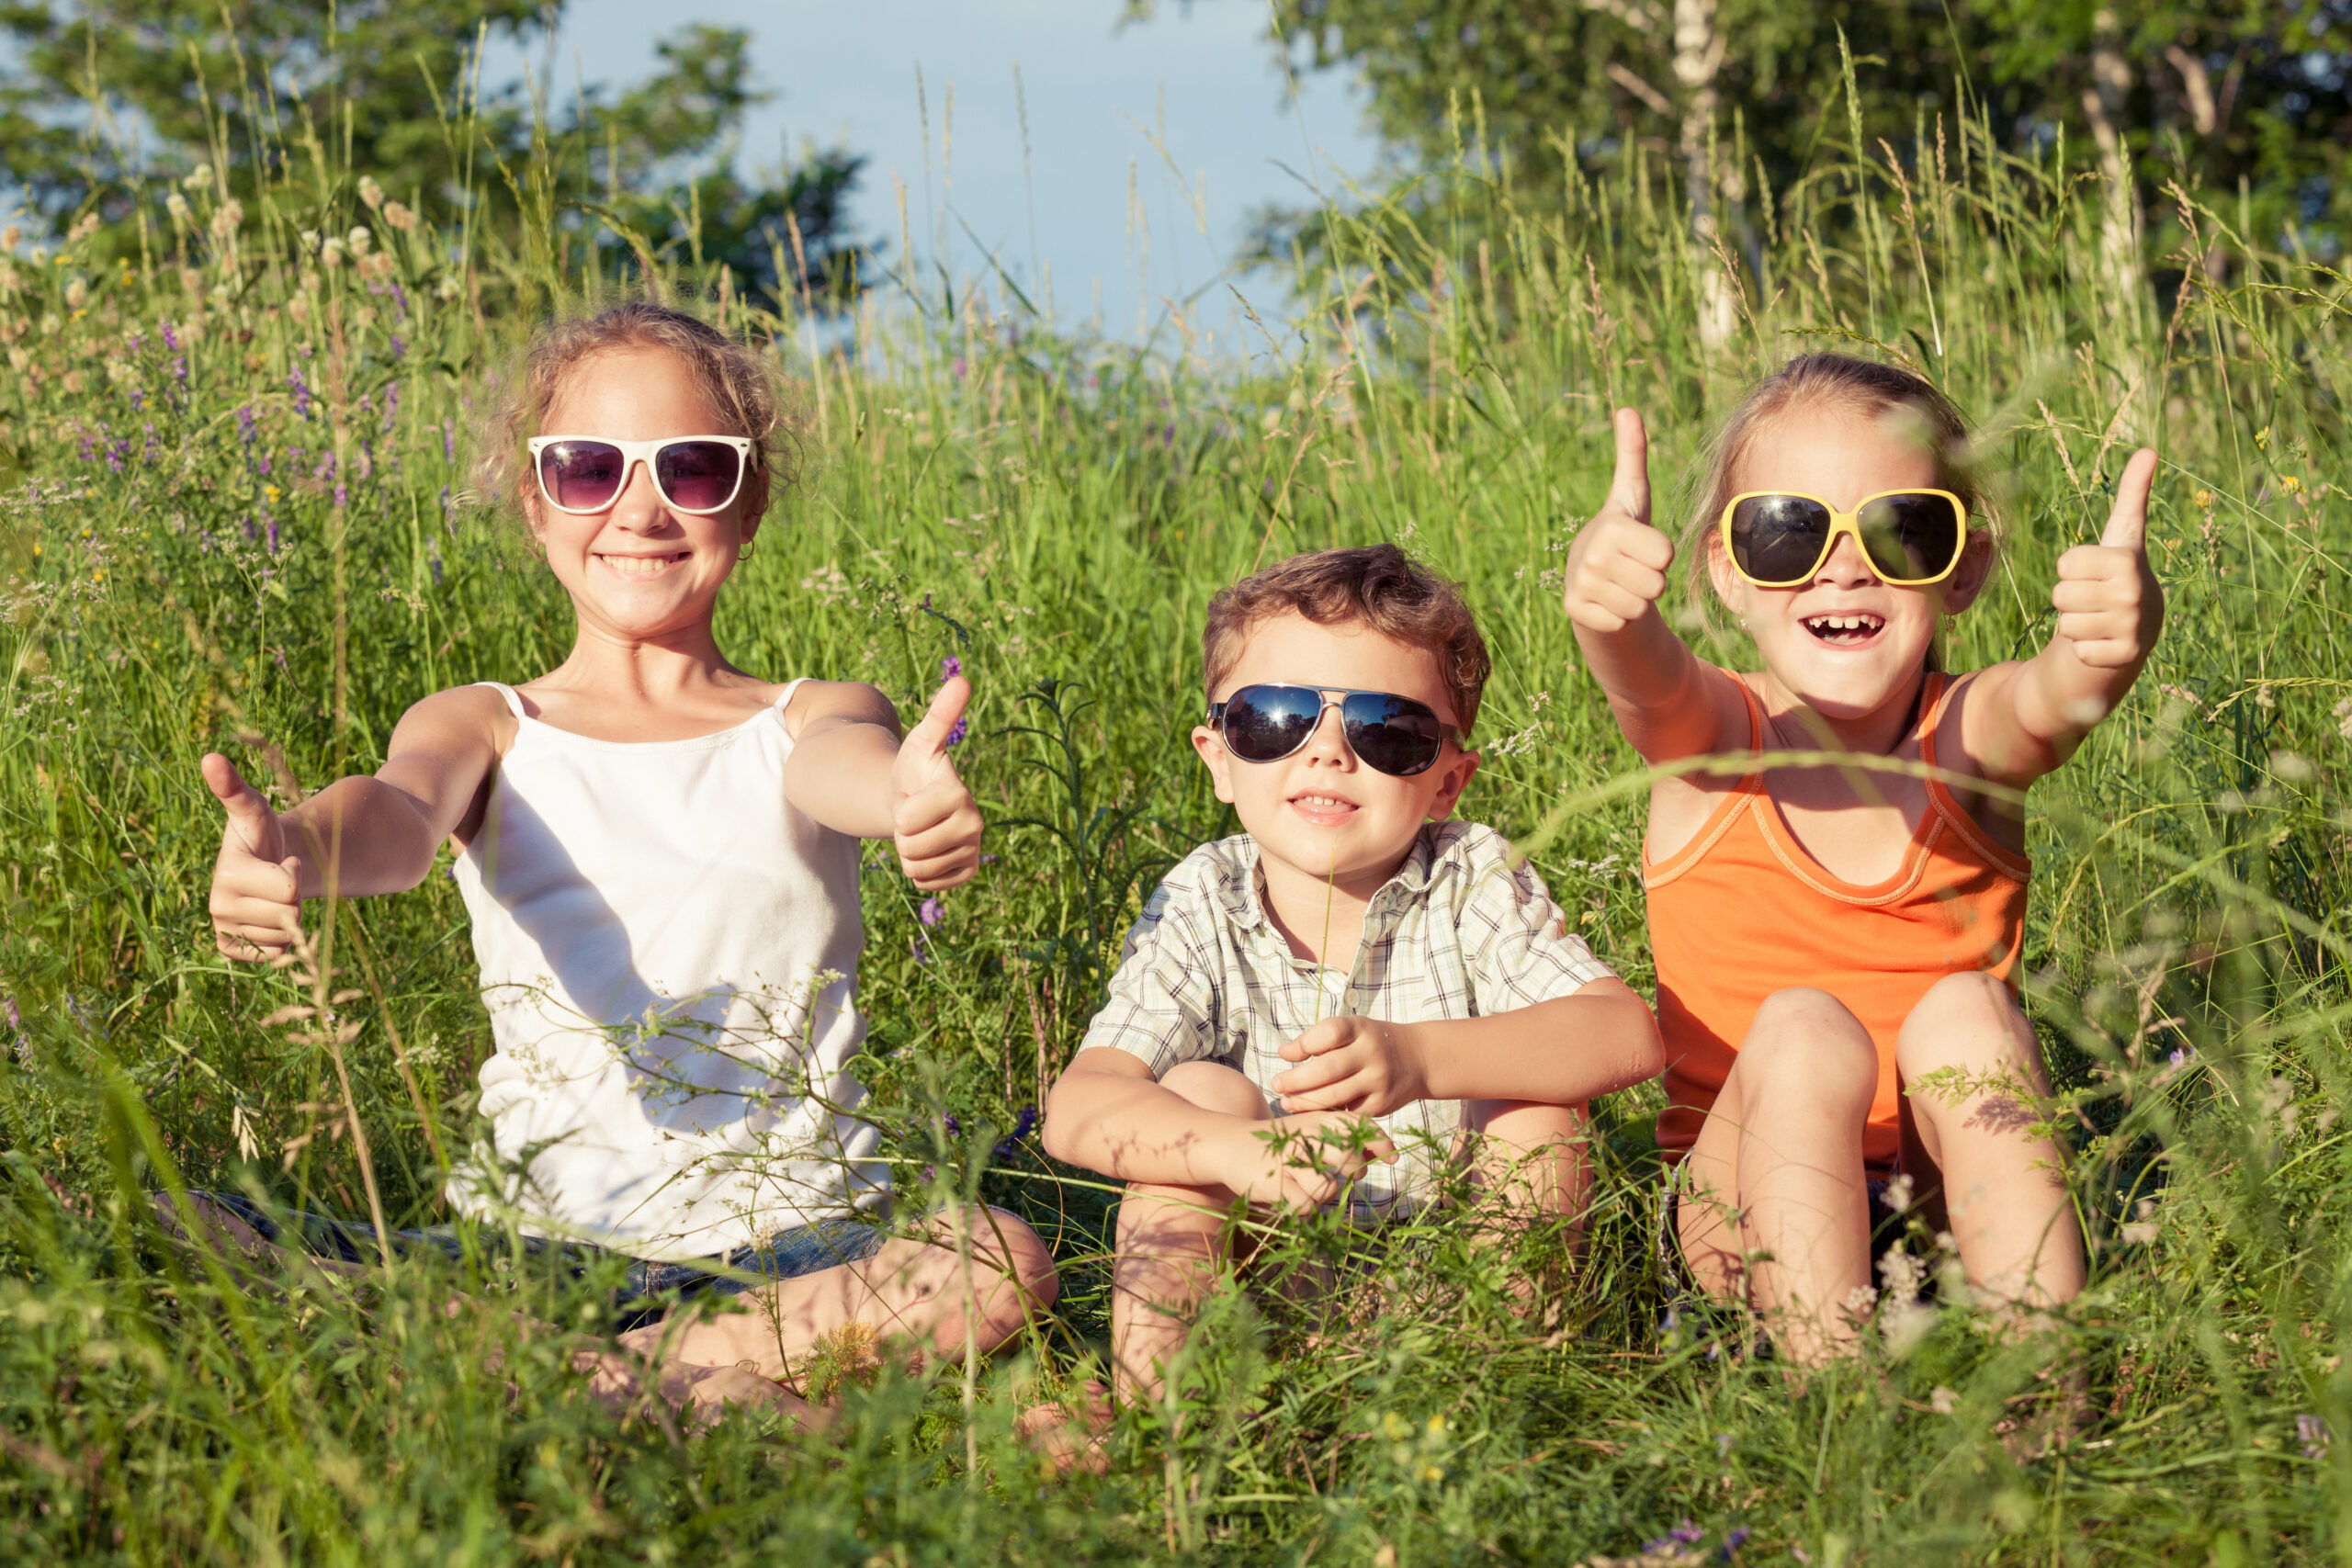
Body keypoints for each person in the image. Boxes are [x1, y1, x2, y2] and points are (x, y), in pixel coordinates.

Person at [197, 300, 1057, 1423]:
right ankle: (707, 1384)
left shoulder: (810, 715)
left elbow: (841, 771)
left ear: (746, 504)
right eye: (589, 467)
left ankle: (577, 1378)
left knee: (995, 1258)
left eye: (692, 469)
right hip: (535, 1247)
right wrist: (301, 849)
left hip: (800, 1239)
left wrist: (901, 798)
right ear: (534, 499)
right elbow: (399, 818)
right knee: (196, 1217)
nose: (639, 509)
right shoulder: (488, 722)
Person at [1560, 353, 2162, 1362]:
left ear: (1961, 567)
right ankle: (1828, 1411)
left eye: (1900, 531)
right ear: (1726, 569)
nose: (1842, 566)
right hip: (1738, 1217)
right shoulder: (1714, 742)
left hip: (1938, 1210)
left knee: (1970, 1011)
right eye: (1787, 532)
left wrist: (2105, 651)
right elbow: (1649, 685)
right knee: (1800, 1028)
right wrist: (1607, 621)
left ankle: (2044, 1385)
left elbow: (2047, 702)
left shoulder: (1966, 743)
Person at [1042, 545, 1662, 1404]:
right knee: (1196, 1096)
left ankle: (1503, 1399)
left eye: (1387, 731)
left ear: (1449, 779)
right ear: (1219, 755)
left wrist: (1423, 1059)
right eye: (1274, 718)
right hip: (1255, 1298)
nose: (1329, 752)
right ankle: (1164, 1428)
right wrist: (1236, 1149)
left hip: (1457, 1293)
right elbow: (1077, 1105)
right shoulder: (1204, 898)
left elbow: (1625, 1031)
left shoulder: (1472, 874)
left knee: (1540, 1109)